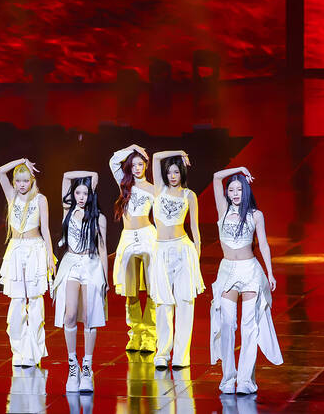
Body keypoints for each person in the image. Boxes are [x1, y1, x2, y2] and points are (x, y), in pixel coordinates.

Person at [211, 167, 283, 394]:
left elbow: (264, 245)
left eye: (239, 189)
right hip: (227, 271)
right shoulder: (223, 210)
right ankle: (228, 379)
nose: (234, 194)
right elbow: (216, 177)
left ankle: (244, 381)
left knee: (249, 326)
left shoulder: (255, 215)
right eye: (231, 190)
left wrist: (270, 273)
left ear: (246, 191)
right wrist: (240, 169)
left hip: (250, 270)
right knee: (227, 323)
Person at [0, 158, 55, 367]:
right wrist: (22, 161)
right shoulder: (11, 196)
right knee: (17, 302)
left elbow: (45, 228)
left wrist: (50, 256)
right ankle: (19, 351)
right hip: (15, 250)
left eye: (25, 180)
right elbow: (0, 171)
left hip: (35, 249)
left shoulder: (40, 199)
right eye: (18, 181)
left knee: (35, 301)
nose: (22, 184)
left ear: (32, 181)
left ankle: (34, 352)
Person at [53, 172, 107, 393]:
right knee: (69, 315)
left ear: (91, 194)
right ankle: (72, 365)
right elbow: (66, 177)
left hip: (91, 264)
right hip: (71, 263)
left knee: (89, 316)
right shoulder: (68, 210)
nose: (81, 197)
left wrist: (105, 279)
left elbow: (102, 249)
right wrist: (87, 176)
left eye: (85, 193)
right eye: (78, 192)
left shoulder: (98, 218)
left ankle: (87, 367)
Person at [151, 151, 204, 369]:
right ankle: (162, 354)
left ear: (182, 173)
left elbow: (195, 229)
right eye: (169, 172)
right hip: (161, 251)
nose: (172, 176)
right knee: (163, 303)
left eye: (176, 172)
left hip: (183, 250)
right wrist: (179, 153)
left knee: (184, 303)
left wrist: (197, 256)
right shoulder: (159, 189)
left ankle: (181, 357)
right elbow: (155, 157)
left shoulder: (189, 195)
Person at [109, 144, 157, 352]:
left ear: (146, 165)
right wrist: (133, 148)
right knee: (131, 290)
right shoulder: (124, 183)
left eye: (140, 164)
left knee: (153, 288)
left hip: (148, 237)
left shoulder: (154, 188)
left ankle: (150, 336)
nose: (137, 168)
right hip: (128, 239)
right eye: (133, 164)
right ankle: (135, 333)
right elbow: (113, 161)